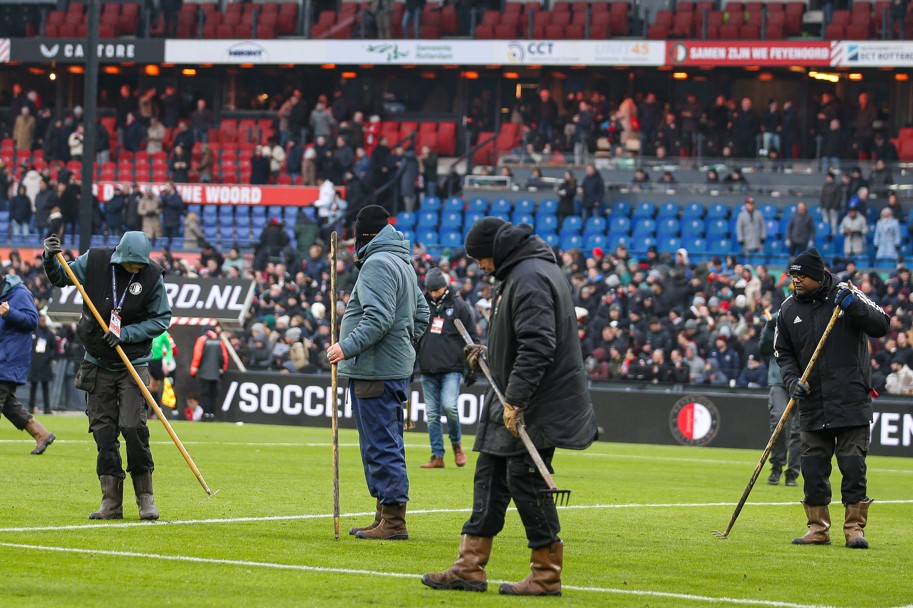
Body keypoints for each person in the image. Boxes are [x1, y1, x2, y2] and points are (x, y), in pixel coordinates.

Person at [423, 217, 599, 596]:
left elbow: (538, 345)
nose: (479, 266)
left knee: (527, 481)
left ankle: (546, 575)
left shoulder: (529, 277)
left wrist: (517, 399)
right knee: (489, 477)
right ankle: (469, 567)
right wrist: (488, 355)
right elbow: (520, 341)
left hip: (535, 402)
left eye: (481, 258)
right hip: (511, 396)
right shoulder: (518, 272)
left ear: (496, 251)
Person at [42, 231, 172, 521]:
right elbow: (61, 277)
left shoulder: (152, 276)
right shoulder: (95, 261)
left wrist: (126, 333)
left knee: (133, 427)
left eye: (140, 265)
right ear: (120, 256)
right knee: (103, 432)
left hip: (132, 363)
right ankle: (111, 502)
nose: (136, 268)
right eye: (132, 264)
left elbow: (162, 319)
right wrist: (50, 259)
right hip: (97, 362)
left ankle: (145, 498)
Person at [327, 205, 430, 541]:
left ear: (363, 234)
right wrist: (404, 345)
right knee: (386, 441)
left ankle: (394, 522)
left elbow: (379, 317)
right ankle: (384, 514)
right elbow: (422, 313)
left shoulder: (377, 263)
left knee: (380, 445)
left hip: (375, 370)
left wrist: (346, 347)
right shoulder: (402, 262)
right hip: (391, 368)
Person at [775, 247, 890, 549]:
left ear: (818, 276)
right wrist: (791, 380)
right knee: (813, 469)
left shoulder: (846, 293)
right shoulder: (788, 309)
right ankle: (817, 528)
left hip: (850, 399)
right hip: (812, 401)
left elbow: (882, 324)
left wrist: (855, 306)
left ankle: (854, 529)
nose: (795, 280)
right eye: (793, 275)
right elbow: (783, 354)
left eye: (801, 275)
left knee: (853, 467)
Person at [416, 267, 477, 469]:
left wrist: (472, 367)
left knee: (450, 407)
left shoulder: (459, 306)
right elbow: (414, 336)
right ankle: (437, 456)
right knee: (432, 414)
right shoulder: (422, 305)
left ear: (445, 287)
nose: (433, 294)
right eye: (430, 291)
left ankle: (457, 445)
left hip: (452, 367)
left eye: (437, 290)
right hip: (428, 367)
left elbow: (471, 339)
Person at [0, 273, 56, 455]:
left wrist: (10, 313)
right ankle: (41, 434)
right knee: (8, 404)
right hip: (4, 357)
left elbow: (32, 320)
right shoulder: (5, 294)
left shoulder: (20, 293)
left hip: (9, 359)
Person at [759, 311, 800, 487]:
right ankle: (777, 465)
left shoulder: (810, 315)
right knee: (778, 421)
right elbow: (764, 349)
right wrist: (769, 329)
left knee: (800, 429)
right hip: (779, 380)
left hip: (803, 380)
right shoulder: (776, 318)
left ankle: (793, 472)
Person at [190, 326, 228, 421]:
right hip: (215, 374)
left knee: (204, 395)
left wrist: (193, 370)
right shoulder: (219, 341)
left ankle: (205, 414)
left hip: (204, 373)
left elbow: (197, 355)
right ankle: (211, 414)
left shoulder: (202, 339)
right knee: (213, 395)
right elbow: (224, 357)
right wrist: (222, 370)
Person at [29, 313, 58, 416]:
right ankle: (31, 407)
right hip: (35, 364)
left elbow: (55, 347)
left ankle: (47, 408)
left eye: (43, 319)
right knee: (33, 387)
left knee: (45, 387)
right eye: (41, 319)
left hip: (45, 364)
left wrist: (48, 357)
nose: (42, 321)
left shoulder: (49, 333)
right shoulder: (33, 331)